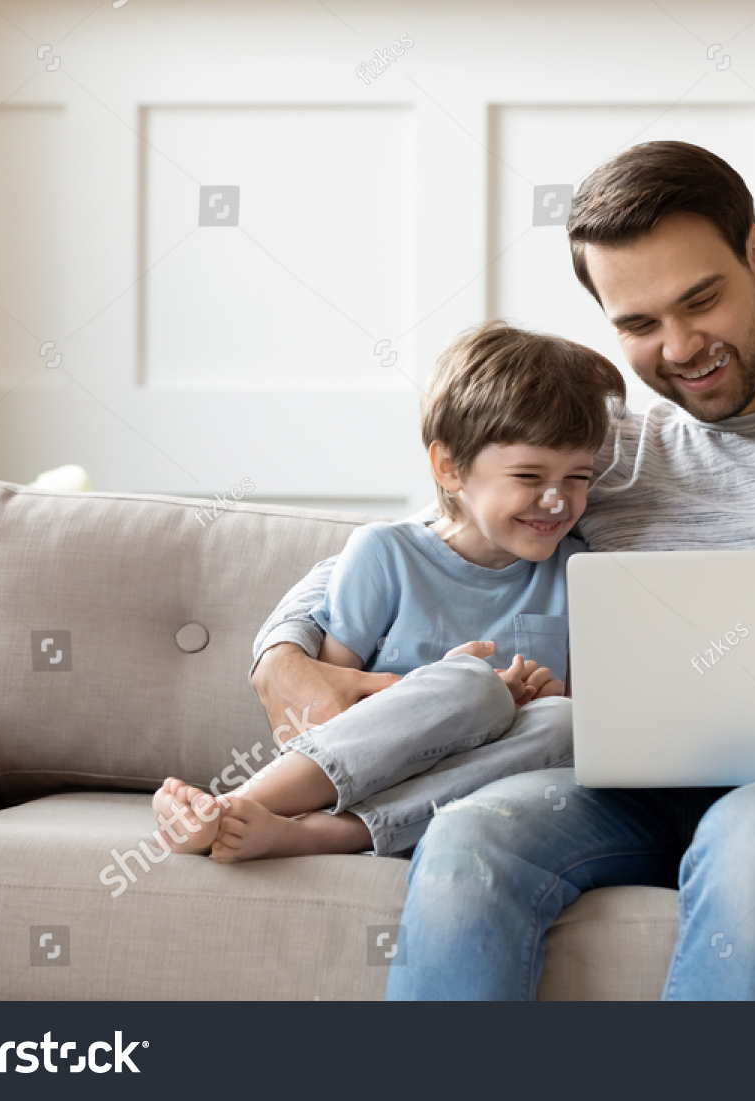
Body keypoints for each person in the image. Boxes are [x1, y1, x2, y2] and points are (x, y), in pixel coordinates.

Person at [250, 141, 755, 999]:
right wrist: (282, 651)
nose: (681, 347)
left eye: (702, 300)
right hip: (615, 788)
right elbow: (430, 537)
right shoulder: (603, 458)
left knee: (753, 830)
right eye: (638, 325)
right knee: (470, 830)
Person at [152, 322, 626, 861]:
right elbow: (330, 708)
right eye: (529, 476)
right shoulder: (384, 555)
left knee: (564, 721)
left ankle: (315, 837)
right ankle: (233, 806)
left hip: (470, 803)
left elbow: (580, 726)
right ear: (450, 468)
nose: (557, 501)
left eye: (577, 479)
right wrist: (455, 687)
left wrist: (534, 701)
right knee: (473, 685)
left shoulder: (580, 572)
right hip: (364, 776)